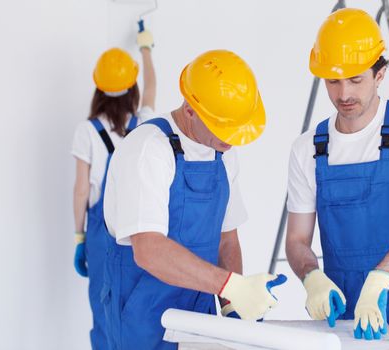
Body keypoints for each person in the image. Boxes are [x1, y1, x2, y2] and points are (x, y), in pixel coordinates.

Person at [285, 8, 389, 349]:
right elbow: (297, 239)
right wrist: (312, 277)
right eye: (333, 81)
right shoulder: (307, 148)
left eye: (355, 79)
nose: (343, 94)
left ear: (379, 74)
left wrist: (380, 279)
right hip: (348, 311)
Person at [102, 49, 285, 349]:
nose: (232, 138)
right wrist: (230, 284)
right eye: (223, 128)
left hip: (200, 315)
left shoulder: (224, 153)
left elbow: (227, 239)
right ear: (190, 110)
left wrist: (231, 303)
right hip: (144, 315)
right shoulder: (149, 149)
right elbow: (148, 250)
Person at [71, 27, 156, 349]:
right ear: (132, 87)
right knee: (134, 309)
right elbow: (152, 88)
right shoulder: (144, 122)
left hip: (98, 234)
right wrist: (146, 49)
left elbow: (81, 190)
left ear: (98, 88)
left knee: (103, 310)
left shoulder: (86, 131)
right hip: (135, 232)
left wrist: (79, 237)